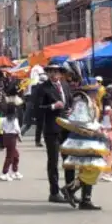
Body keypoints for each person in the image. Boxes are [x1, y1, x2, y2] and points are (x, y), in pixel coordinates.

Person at [38, 64, 73, 204]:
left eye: (56, 72)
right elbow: (38, 109)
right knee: (53, 161)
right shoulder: (43, 88)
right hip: (52, 128)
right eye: (50, 72)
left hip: (66, 127)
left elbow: (69, 101)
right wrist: (52, 106)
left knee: (69, 161)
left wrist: (71, 110)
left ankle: (70, 190)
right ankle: (54, 192)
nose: (53, 74)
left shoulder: (65, 85)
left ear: (60, 73)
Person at [0, 103, 22, 182]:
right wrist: (19, 135)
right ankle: (4, 173)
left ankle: (15, 171)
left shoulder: (4, 119)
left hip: (5, 137)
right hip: (12, 138)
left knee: (16, 155)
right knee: (9, 156)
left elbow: (1, 127)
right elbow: (17, 128)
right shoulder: (14, 119)